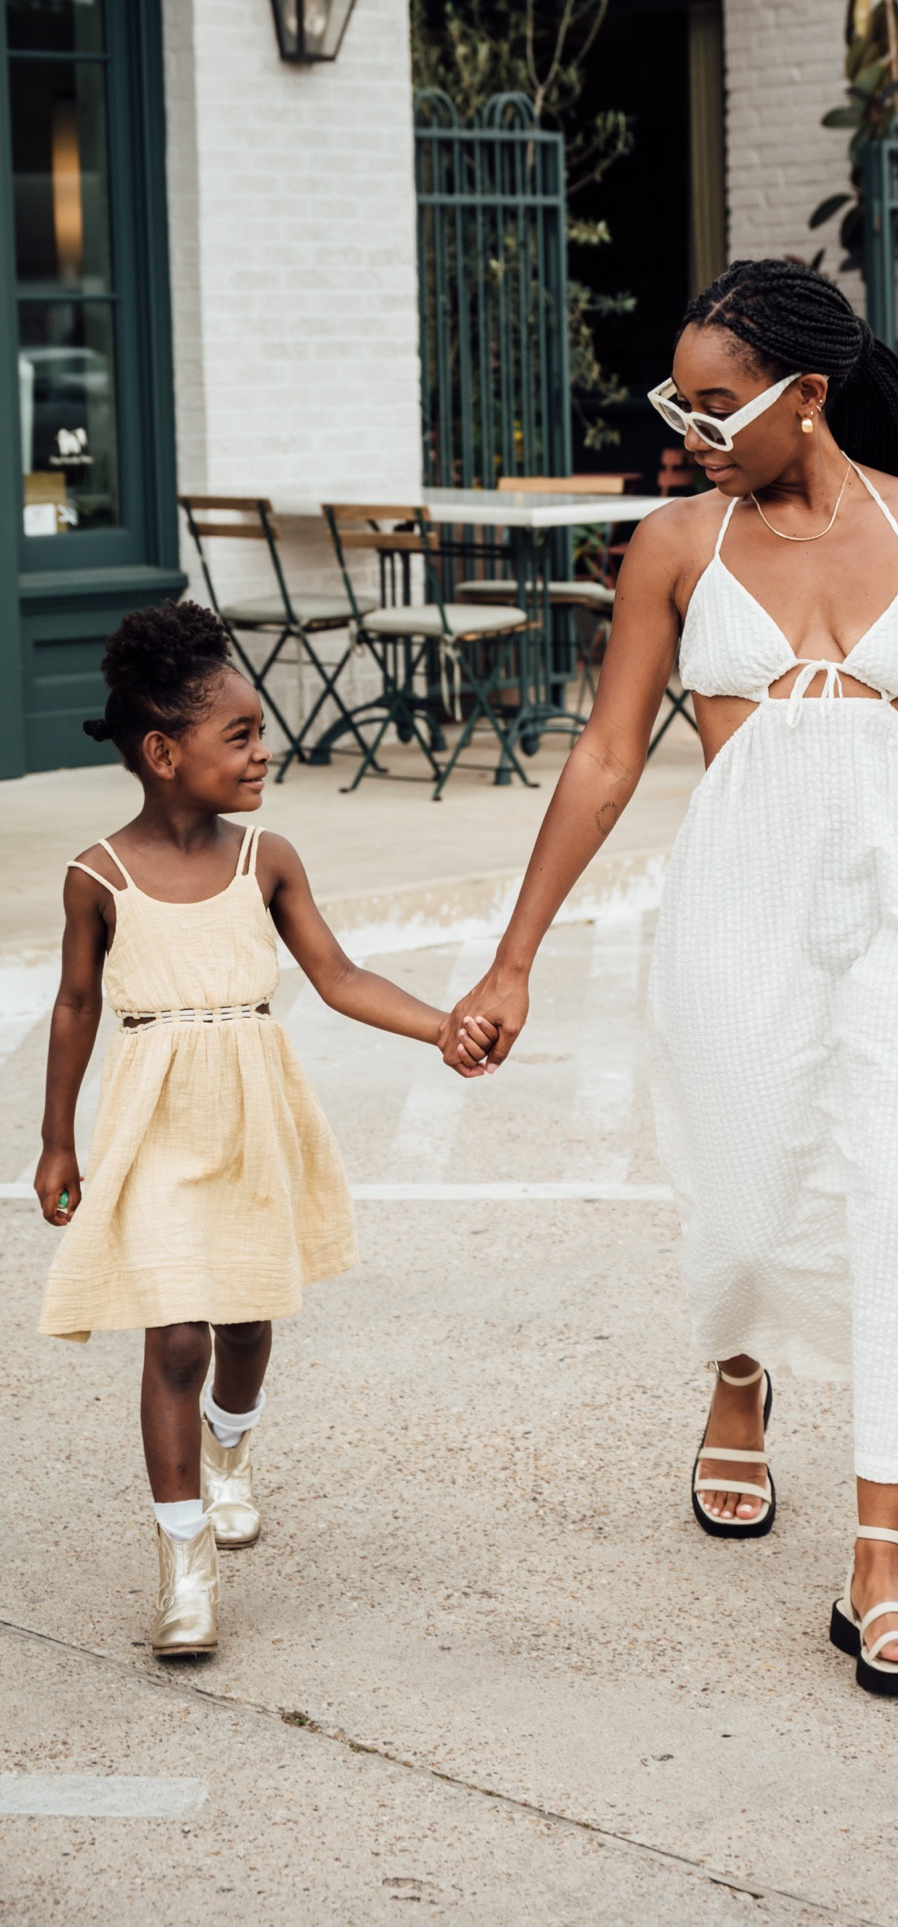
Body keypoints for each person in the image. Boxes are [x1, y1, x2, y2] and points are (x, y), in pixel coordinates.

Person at [440, 260, 898, 1698]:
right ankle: (739, 1371)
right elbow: (603, 758)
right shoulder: (675, 544)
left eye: (716, 403)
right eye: (680, 399)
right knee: (749, 1198)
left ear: (808, 396)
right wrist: (514, 955)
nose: (689, 426)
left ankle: (881, 1558)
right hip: (737, 909)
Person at [35, 603, 447, 1658]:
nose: (264, 752)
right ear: (163, 753)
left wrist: (442, 1028)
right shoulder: (99, 877)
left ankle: (230, 1452)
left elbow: (339, 974)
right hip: (157, 1124)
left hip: (254, 1114)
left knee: (246, 1324)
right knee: (172, 1332)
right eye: (242, 735)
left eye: (261, 732)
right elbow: (76, 1007)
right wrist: (58, 1140)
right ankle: (183, 1570)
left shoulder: (268, 858)